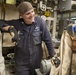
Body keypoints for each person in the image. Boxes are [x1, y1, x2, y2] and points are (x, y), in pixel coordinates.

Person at [0, 1, 60, 75]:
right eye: (28, 13)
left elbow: (48, 40)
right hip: (21, 64)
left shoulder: (40, 22)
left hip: (36, 63)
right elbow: (1, 22)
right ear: (21, 15)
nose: (32, 15)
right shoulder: (17, 24)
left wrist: (53, 56)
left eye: (32, 11)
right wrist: (9, 28)